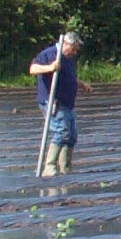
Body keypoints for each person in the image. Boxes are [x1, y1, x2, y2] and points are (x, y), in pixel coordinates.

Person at [29, 32, 93, 175]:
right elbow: (33, 69)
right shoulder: (51, 54)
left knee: (71, 136)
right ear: (66, 44)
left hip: (67, 103)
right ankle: (49, 167)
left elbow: (66, 78)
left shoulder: (67, 58)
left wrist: (80, 84)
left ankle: (65, 167)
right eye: (74, 49)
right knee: (61, 132)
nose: (75, 52)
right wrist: (50, 67)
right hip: (53, 102)